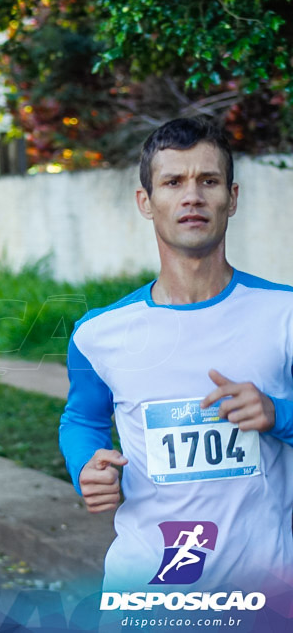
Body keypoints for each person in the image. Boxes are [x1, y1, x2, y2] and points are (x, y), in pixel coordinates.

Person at [59, 116, 293, 595]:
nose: (192, 196)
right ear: (147, 202)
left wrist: (277, 413)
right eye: (173, 182)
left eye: (209, 181)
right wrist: (85, 463)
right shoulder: (99, 334)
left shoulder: (284, 313)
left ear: (232, 197)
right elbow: (81, 418)